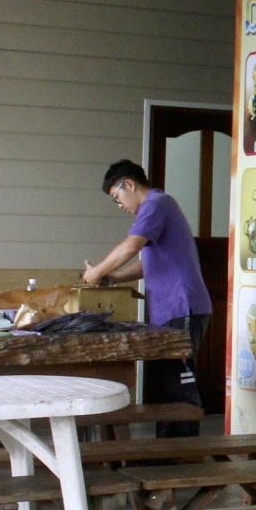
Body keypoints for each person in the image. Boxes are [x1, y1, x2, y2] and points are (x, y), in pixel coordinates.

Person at [84, 161, 211, 437]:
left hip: (183, 306)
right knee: (165, 387)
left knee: (180, 385)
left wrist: (97, 272)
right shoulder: (157, 209)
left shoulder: (157, 203)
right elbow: (147, 264)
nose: (120, 206)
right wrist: (112, 277)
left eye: (117, 198)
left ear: (129, 184)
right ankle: (162, 457)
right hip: (169, 312)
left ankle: (183, 459)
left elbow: (131, 246)